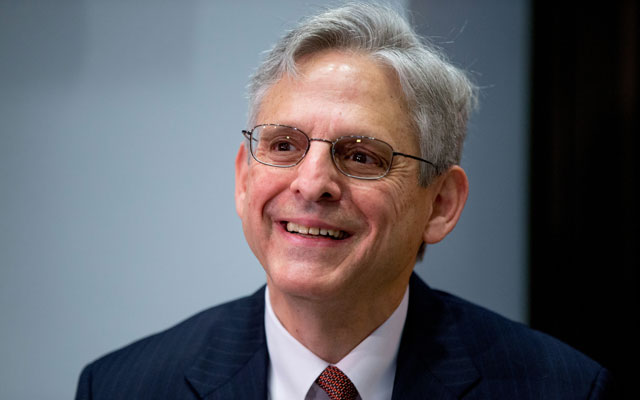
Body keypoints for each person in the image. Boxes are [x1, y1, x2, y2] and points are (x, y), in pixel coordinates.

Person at [75, 3, 612, 399]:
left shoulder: (562, 388)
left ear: (441, 203)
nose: (311, 184)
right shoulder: (123, 386)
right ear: (244, 180)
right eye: (283, 146)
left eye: (361, 156)